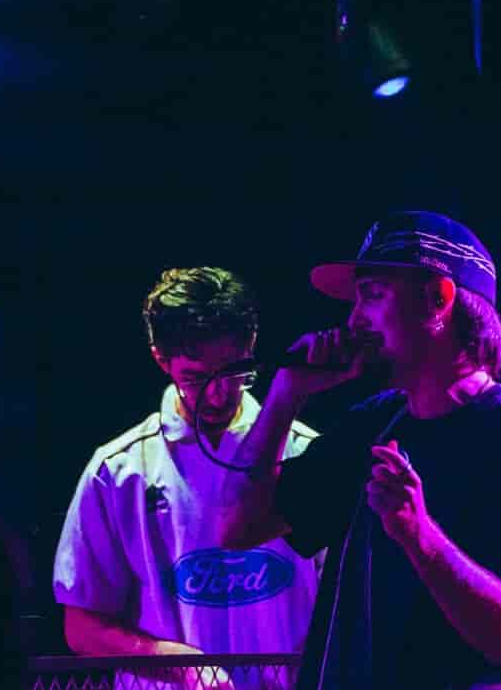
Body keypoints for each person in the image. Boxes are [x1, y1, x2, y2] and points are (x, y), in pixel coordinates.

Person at [218, 211, 501, 690]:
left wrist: (418, 534)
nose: (353, 320)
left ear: (437, 299)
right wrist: (286, 396)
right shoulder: (373, 423)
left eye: (373, 294)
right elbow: (237, 526)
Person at [53, 267, 324, 690]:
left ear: (251, 345)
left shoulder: (307, 454)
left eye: (234, 372)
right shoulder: (118, 471)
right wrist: (176, 663)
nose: (217, 395)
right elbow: (82, 626)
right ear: (161, 359)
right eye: (196, 378)